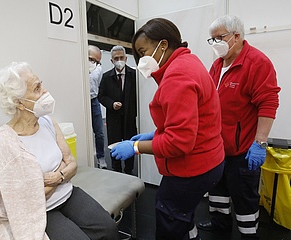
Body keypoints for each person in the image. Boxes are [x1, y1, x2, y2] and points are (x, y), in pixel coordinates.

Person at [0, 62, 120, 240]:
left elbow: (72, 164)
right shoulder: (4, 142)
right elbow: (24, 198)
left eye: (41, 84)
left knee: (108, 228)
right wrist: (61, 174)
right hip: (40, 209)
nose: (45, 91)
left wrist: (57, 177)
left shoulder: (46, 121)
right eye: (37, 88)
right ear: (19, 102)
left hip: (67, 193)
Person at [111, 18, 225, 240]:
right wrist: (155, 135)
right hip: (210, 159)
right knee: (184, 214)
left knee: (169, 217)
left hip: (192, 168)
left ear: (163, 45)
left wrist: (135, 147)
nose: (142, 60)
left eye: (143, 52)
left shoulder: (177, 75)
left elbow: (179, 142)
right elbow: (193, 121)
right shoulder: (188, 62)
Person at [196, 15, 280, 239]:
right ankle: (220, 226)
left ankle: (248, 234)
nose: (215, 44)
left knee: (244, 199)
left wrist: (260, 142)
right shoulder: (217, 65)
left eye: (219, 38)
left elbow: (268, 103)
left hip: (242, 150)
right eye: (211, 39)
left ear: (237, 36)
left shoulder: (257, 63)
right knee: (217, 194)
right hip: (216, 149)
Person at [98, 45, 137, 174]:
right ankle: (116, 171)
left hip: (129, 117)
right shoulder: (106, 77)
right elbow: (101, 96)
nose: (119, 60)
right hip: (113, 118)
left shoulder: (134, 75)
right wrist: (112, 104)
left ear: (126, 58)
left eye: (121, 57)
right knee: (113, 145)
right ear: (111, 61)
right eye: (116, 58)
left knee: (130, 144)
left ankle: (129, 170)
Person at [88, 45, 107, 169]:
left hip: (93, 101)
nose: (93, 63)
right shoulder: (76, 66)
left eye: (96, 61)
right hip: (80, 100)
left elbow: (98, 85)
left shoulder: (99, 69)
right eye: (90, 59)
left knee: (99, 132)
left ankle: (101, 157)